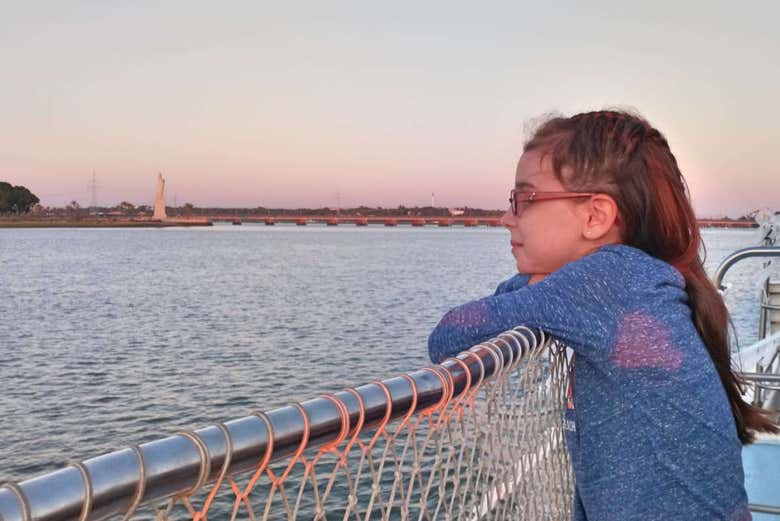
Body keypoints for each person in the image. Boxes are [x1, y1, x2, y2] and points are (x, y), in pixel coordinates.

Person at [427, 110, 778, 520]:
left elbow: (449, 335)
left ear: (595, 217)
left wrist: (538, 286)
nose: (506, 218)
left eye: (524, 199)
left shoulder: (604, 282)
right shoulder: (632, 280)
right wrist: (539, 285)